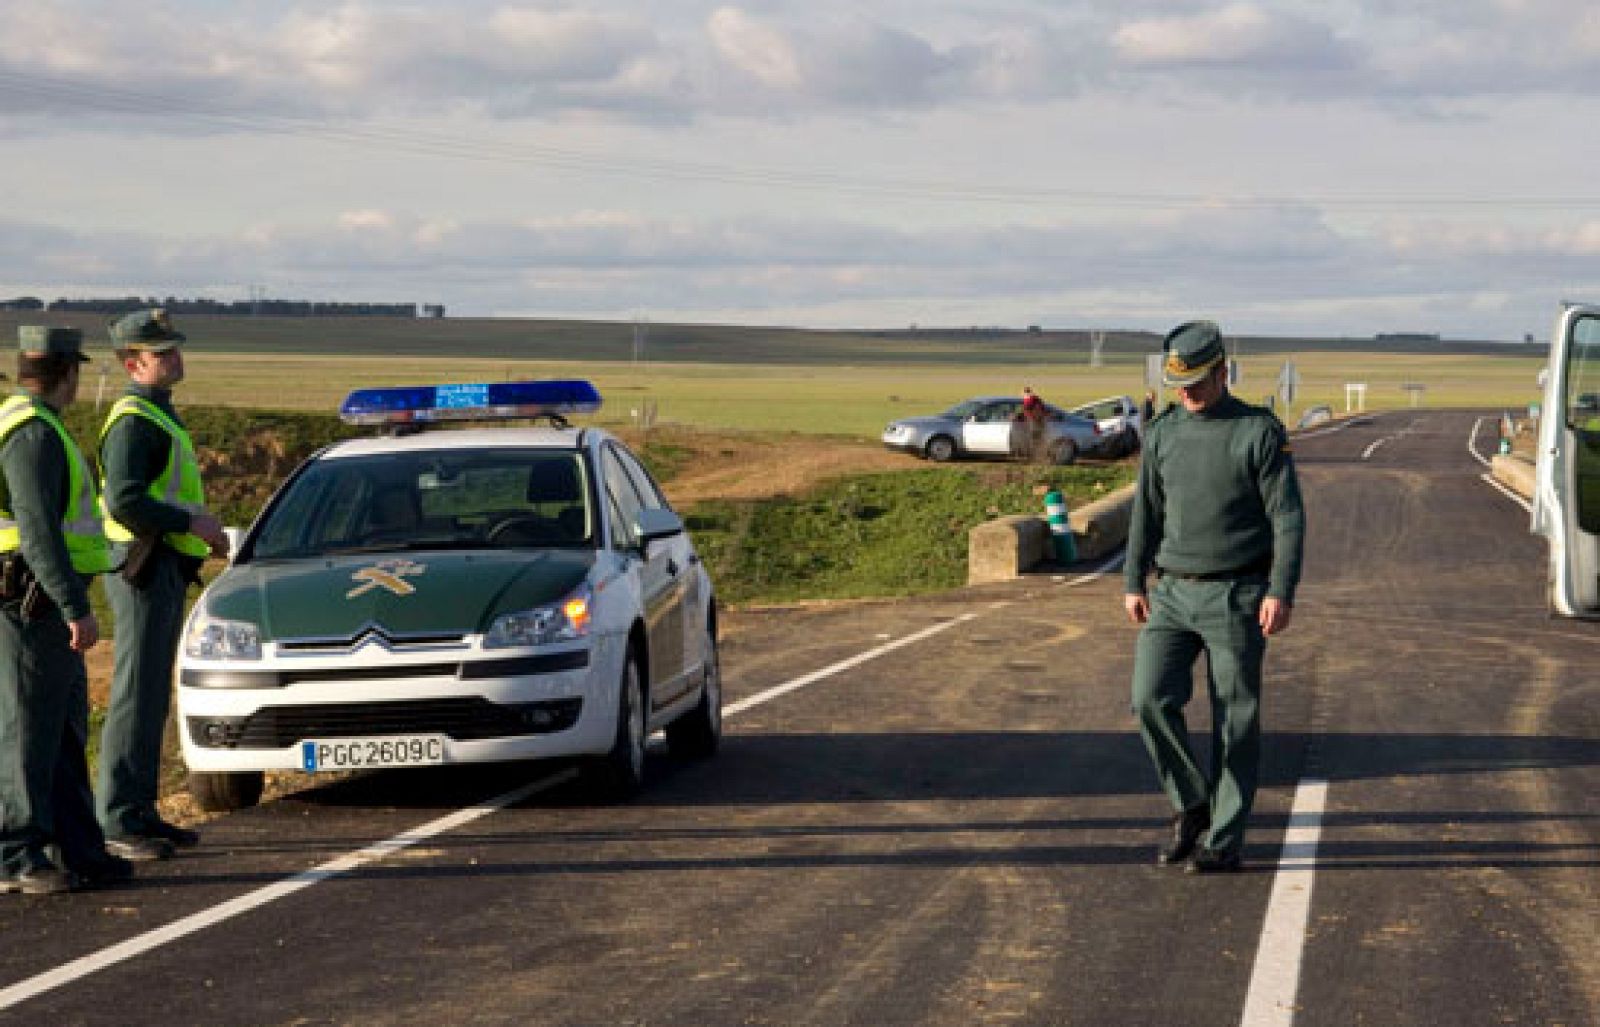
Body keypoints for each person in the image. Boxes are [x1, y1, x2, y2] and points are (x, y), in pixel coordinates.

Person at [1123, 321, 1305, 874]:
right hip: (1173, 591)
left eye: (1197, 382)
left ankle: (1224, 840)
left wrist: (1281, 589)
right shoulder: (1163, 433)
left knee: (1235, 720)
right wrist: (1133, 579)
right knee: (1149, 700)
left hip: (1238, 593)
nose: (1186, 392)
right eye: (1178, 382)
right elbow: (1146, 511)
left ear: (1224, 371)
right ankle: (1192, 804)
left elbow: (1288, 518)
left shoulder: (1258, 432)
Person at [0, 326, 132, 893]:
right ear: (70, 373)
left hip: (42, 600)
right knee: (28, 730)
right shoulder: (32, 433)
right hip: (31, 601)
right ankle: (18, 856)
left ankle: (77, 847)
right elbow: (37, 533)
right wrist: (74, 605)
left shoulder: (33, 424)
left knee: (59, 730)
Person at [97, 309, 229, 860]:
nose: (176, 358)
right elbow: (124, 500)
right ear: (134, 362)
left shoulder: (156, 414)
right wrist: (190, 524)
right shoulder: (135, 420)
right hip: (143, 566)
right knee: (134, 695)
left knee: (151, 695)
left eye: (175, 349)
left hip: (161, 565)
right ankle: (122, 820)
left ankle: (142, 813)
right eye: (163, 352)